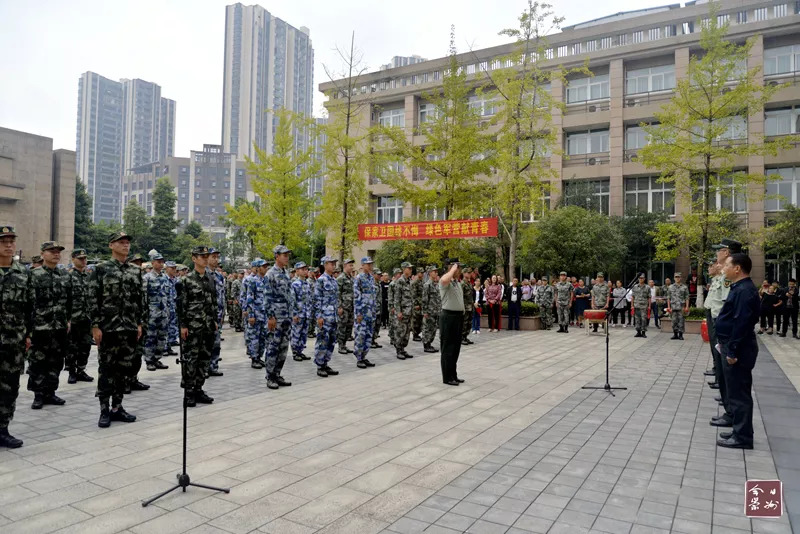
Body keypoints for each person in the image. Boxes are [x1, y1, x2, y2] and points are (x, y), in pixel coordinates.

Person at [89, 231, 143, 427]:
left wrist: (139, 323)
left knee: (123, 370)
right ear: (111, 245)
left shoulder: (135, 271)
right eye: (121, 242)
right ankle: (104, 409)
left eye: (127, 242)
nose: (125, 245)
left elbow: (139, 300)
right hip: (108, 328)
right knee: (106, 370)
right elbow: (93, 299)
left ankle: (117, 407)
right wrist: (95, 326)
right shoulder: (101, 269)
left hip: (128, 327)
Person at [714, 253, 760, 449]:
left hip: (739, 349)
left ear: (737, 269)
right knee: (735, 391)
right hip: (733, 345)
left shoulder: (744, 291)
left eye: (727, 266)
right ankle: (739, 429)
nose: (724, 269)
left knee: (740, 393)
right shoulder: (740, 288)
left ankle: (742, 437)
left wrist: (732, 351)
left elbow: (741, 323)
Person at [27, 241, 72, 410]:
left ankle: (51, 392)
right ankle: (38, 394)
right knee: (38, 362)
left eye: (58, 251)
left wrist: (67, 320)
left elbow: (69, 300)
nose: (56, 254)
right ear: (42, 254)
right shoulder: (34, 275)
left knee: (56, 360)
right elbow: (28, 303)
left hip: (59, 326)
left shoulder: (65, 275)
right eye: (51, 251)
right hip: (40, 327)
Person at [0, 226, 29, 448]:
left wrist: (28, 334)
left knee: (10, 386)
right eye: (4, 241)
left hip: (13, 340)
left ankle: (3, 428)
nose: (9, 245)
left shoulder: (22, 272)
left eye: (11, 241)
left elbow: (29, 306)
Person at [178, 246, 217, 407]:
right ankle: (189, 392)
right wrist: (183, 325)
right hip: (192, 327)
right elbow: (181, 305)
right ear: (194, 258)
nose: (205, 259)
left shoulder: (210, 278)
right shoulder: (186, 280)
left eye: (207, 256)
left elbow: (213, 302)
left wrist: (214, 320)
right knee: (190, 360)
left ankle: (199, 389)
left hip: (207, 326)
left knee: (204, 358)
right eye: (202, 256)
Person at [263, 245, 295, 389]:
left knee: (283, 348)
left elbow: (289, 296)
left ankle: (277, 373)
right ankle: (270, 376)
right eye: (284, 255)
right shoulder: (270, 274)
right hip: (276, 317)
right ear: (276, 256)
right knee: (273, 347)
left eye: (287, 255)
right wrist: (270, 317)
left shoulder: (286, 273)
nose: (286, 257)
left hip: (286, 317)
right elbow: (267, 297)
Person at [66, 249, 94, 384]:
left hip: (87, 318)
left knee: (86, 345)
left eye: (85, 258)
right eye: (80, 259)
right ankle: (71, 372)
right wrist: (67, 319)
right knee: (72, 347)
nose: (83, 261)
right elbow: (65, 298)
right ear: (73, 259)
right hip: (74, 318)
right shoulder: (69, 276)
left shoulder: (89, 276)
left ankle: (81, 370)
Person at [143, 251, 171, 372]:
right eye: (158, 262)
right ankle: (149, 360)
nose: (160, 264)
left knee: (162, 337)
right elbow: (144, 298)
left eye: (162, 262)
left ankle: (157, 358)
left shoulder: (165, 277)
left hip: (164, 313)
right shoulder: (147, 278)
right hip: (152, 314)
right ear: (152, 263)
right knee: (150, 338)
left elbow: (168, 295)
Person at [439, 259, 465, 386]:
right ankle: (447, 377)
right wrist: (452, 269)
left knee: (455, 348)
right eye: (458, 268)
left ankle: (453, 374)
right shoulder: (445, 282)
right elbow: (444, 280)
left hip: (458, 317)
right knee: (448, 348)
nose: (459, 271)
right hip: (448, 317)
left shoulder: (457, 283)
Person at [314, 256, 340, 377]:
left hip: (333, 316)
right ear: (325, 265)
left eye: (334, 263)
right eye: (331, 263)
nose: (333, 266)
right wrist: (319, 316)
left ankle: (325, 363)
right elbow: (317, 299)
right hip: (324, 316)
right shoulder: (321, 280)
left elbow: (335, 298)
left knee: (331, 341)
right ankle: (320, 365)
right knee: (323, 341)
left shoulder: (334, 280)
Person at [353, 257, 378, 368]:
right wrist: (358, 313)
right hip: (362, 313)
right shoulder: (359, 278)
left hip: (370, 312)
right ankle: (359, 358)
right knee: (361, 335)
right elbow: (356, 297)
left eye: (371, 264)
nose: (370, 266)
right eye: (368, 264)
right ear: (362, 265)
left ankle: (364, 356)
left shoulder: (371, 279)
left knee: (368, 335)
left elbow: (373, 296)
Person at [244, 259, 268, 369]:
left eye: (266, 266)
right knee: (254, 337)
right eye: (263, 266)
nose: (266, 268)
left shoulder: (266, 280)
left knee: (263, 338)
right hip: (256, 314)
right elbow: (249, 299)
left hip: (265, 315)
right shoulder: (252, 281)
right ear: (258, 268)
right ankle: (254, 359)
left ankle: (259, 357)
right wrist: (251, 315)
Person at [207, 249, 226, 377]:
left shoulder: (219, 276)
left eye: (217, 257)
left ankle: (213, 366)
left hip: (218, 315)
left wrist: (223, 312)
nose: (216, 260)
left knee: (216, 342)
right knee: (206, 343)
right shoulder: (204, 275)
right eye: (213, 257)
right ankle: (204, 368)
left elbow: (222, 295)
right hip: (207, 316)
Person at [290, 262, 312, 362]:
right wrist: (294, 314)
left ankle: (300, 350)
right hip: (298, 313)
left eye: (306, 269)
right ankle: (295, 352)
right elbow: (292, 300)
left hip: (306, 312)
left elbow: (310, 299)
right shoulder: (294, 284)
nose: (305, 271)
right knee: (296, 333)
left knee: (303, 333)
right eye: (302, 269)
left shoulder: (307, 283)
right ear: (297, 271)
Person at [394, 262, 415, 359]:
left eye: (411, 269)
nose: (410, 270)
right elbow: (397, 298)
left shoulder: (409, 281)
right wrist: (398, 311)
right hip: (403, 312)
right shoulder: (400, 281)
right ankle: (398, 350)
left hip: (409, 311)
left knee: (407, 333)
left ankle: (402, 349)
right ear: (404, 269)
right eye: (409, 268)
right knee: (400, 331)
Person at [336, 259, 355, 354]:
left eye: (352, 265)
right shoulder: (341, 278)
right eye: (350, 265)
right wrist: (339, 307)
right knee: (342, 326)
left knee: (349, 327)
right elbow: (337, 293)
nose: (351, 267)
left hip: (351, 306)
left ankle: (344, 344)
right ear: (345, 266)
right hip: (343, 307)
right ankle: (340, 346)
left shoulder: (351, 278)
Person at [422, 265, 442, 352]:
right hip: (429, 311)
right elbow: (425, 299)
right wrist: (425, 311)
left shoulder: (435, 284)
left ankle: (429, 343)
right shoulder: (427, 285)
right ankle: (426, 345)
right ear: (430, 273)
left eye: (437, 271)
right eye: (434, 271)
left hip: (435, 310)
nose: (436, 273)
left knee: (433, 328)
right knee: (428, 328)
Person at [667, 273, 690, 340]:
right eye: (676, 277)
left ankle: (680, 335)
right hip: (673, 307)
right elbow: (668, 297)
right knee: (674, 321)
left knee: (681, 321)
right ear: (674, 278)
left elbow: (687, 298)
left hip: (681, 307)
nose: (677, 278)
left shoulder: (684, 287)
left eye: (678, 277)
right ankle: (675, 334)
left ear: (681, 278)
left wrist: (687, 307)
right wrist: (669, 307)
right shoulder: (670, 287)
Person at [631, 273, 651, 338]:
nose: (640, 279)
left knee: (644, 319)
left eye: (642, 278)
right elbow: (632, 297)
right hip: (636, 305)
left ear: (644, 279)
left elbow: (649, 297)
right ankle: (638, 332)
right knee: (637, 319)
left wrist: (649, 306)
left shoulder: (647, 287)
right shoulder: (635, 286)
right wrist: (632, 305)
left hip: (644, 306)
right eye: (639, 278)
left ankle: (643, 332)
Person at [461, 268, 475, 342]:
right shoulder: (462, 284)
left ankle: (465, 336)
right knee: (464, 322)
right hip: (465, 306)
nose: (469, 274)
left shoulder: (469, 283)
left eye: (470, 273)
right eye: (468, 273)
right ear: (464, 273)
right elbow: (461, 296)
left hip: (470, 306)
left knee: (469, 322)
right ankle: (462, 337)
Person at [371, 270, 383, 349]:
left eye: (380, 275)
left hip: (379, 307)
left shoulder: (379, 284)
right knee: (373, 325)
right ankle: (370, 341)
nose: (379, 276)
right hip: (373, 308)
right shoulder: (371, 284)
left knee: (378, 325)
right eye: (378, 274)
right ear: (374, 274)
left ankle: (374, 340)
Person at [411, 270, 424, 342]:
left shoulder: (422, 282)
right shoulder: (415, 282)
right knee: (416, 319)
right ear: (418, 273)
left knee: (420, 320)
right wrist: (415, 304)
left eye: (422, 273)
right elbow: (413, 294)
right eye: (420, 273)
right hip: (417, 304)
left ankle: (417, 334)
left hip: (421, 304)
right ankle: (415, 334)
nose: (422, 274)